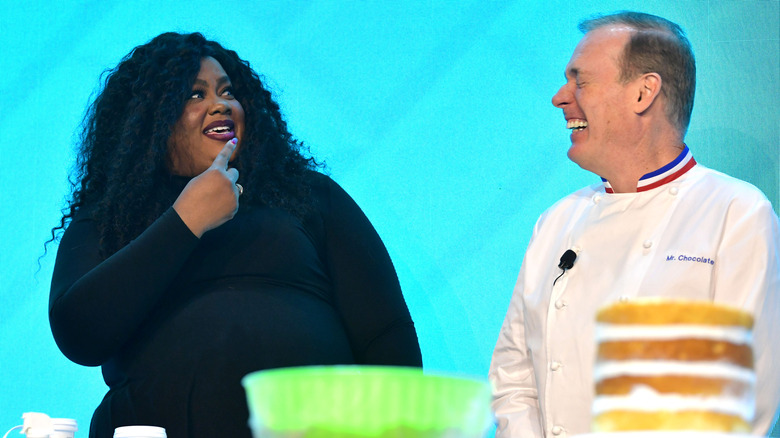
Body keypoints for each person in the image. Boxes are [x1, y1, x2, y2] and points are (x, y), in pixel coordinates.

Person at [48, 32, 422, 438]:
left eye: (228, 91)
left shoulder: (306, 195)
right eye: (194, 95)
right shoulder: (109, 218)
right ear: (148, 119)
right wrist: (185, 221)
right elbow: (79, 333)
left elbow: (386, 334)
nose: (220, 104)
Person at [489, 11, 780, 437]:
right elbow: (513, 377)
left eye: (580, 80)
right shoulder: (556, 221)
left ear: (644, 93)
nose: (560, 97)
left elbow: (740, 404)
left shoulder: (736, 213)